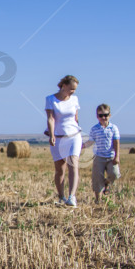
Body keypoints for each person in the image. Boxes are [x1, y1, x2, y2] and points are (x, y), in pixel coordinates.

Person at [45, 75, 82, 207]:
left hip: (74, 136)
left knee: (73, 164)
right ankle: (61, 196)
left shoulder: (75, 99)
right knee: (60, 169)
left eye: (75, 89)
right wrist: (51, 134)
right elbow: (50, 118)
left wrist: (79, 130)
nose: (73, 92)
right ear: (64, 86)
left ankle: (72, 196)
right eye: (71, 89)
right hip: (58, 137)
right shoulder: (50, 99)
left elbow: (76, 118)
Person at [89, 103, 120, 204]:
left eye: (105, 115)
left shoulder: (113, 128)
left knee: (114, 174)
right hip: (98, 157)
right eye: (100, 115)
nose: (103, 117)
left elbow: (116, 142)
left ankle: (106, 183)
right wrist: (80, 146)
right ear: (97, 116)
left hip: (111, 156)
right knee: (97, 178)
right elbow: (90, 142)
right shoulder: (94, 129)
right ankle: (98, 200)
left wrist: (117, 156)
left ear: (109, 115)